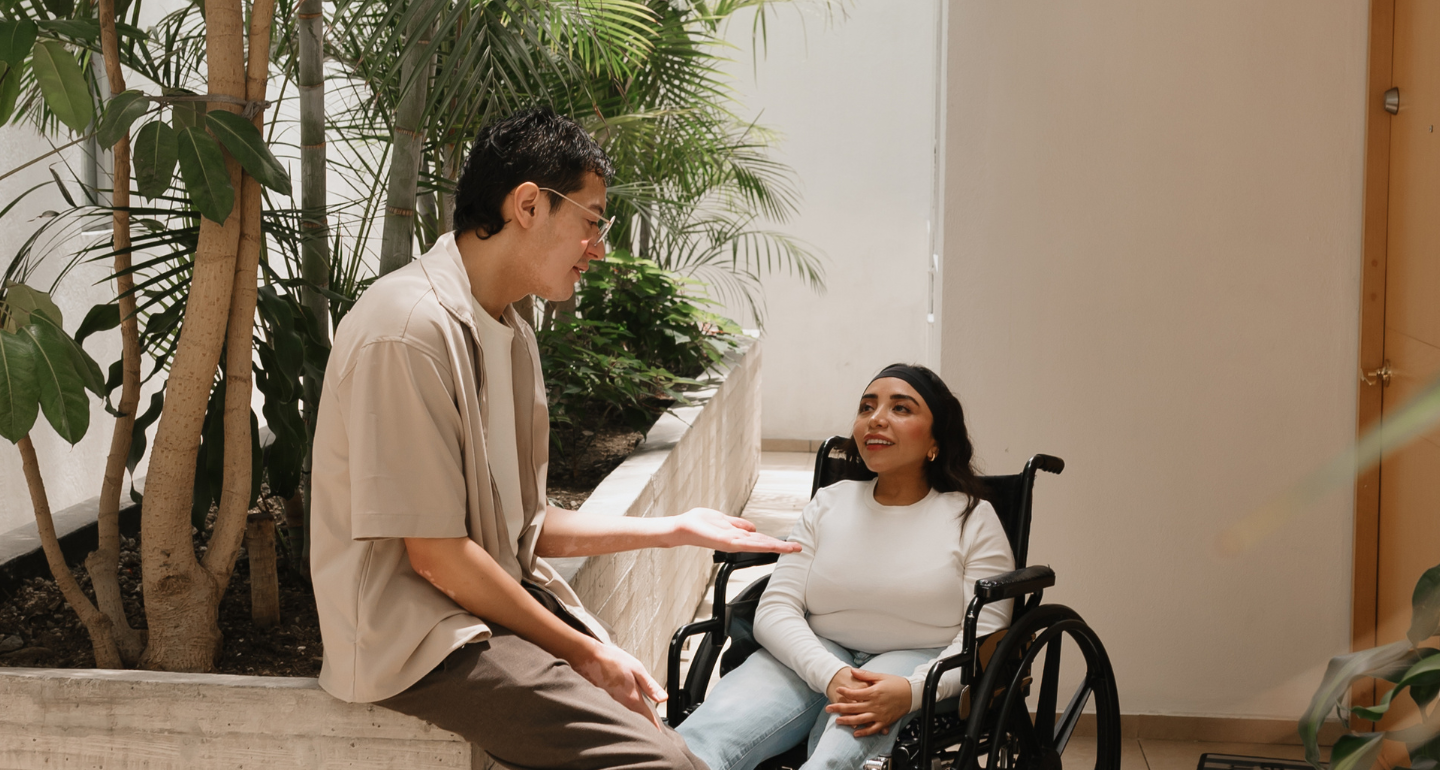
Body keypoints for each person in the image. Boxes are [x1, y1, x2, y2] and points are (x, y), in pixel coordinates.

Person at [308, 106, 798, 770]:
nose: (599, 247)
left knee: (661, 731)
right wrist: (585, 651)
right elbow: (436, 557)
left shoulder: (510, 328)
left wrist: (677, 527)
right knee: (668, 763)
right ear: (529, 205)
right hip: (420, 640)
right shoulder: (409, 328)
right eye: (593, 222)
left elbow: (523, 526)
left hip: (480, 610)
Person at [676, 364, 1016, 770]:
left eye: (901, 409)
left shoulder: (972, 517)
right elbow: (775, 609)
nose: (876, 418)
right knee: (702, 739)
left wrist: (912, 690)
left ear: (935, 441)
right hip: (813, 651)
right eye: (867, 407)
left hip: (918, 660)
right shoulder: (829, 502)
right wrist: (832, 674)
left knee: (834, 758)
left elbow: (986, 638)